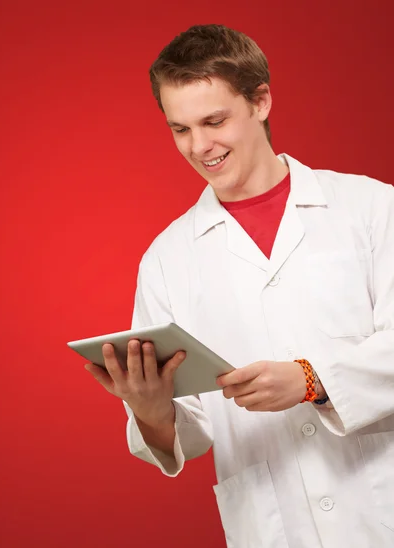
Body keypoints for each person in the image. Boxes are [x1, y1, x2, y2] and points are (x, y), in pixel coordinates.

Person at [84, 24, 394, 548]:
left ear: (261, 100)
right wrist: (152, 412)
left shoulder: (370, 208)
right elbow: (187, 433)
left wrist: (311, 379)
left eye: (214, 120)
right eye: (180, 129)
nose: (199, 146)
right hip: (275, 527)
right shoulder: (167, 258)